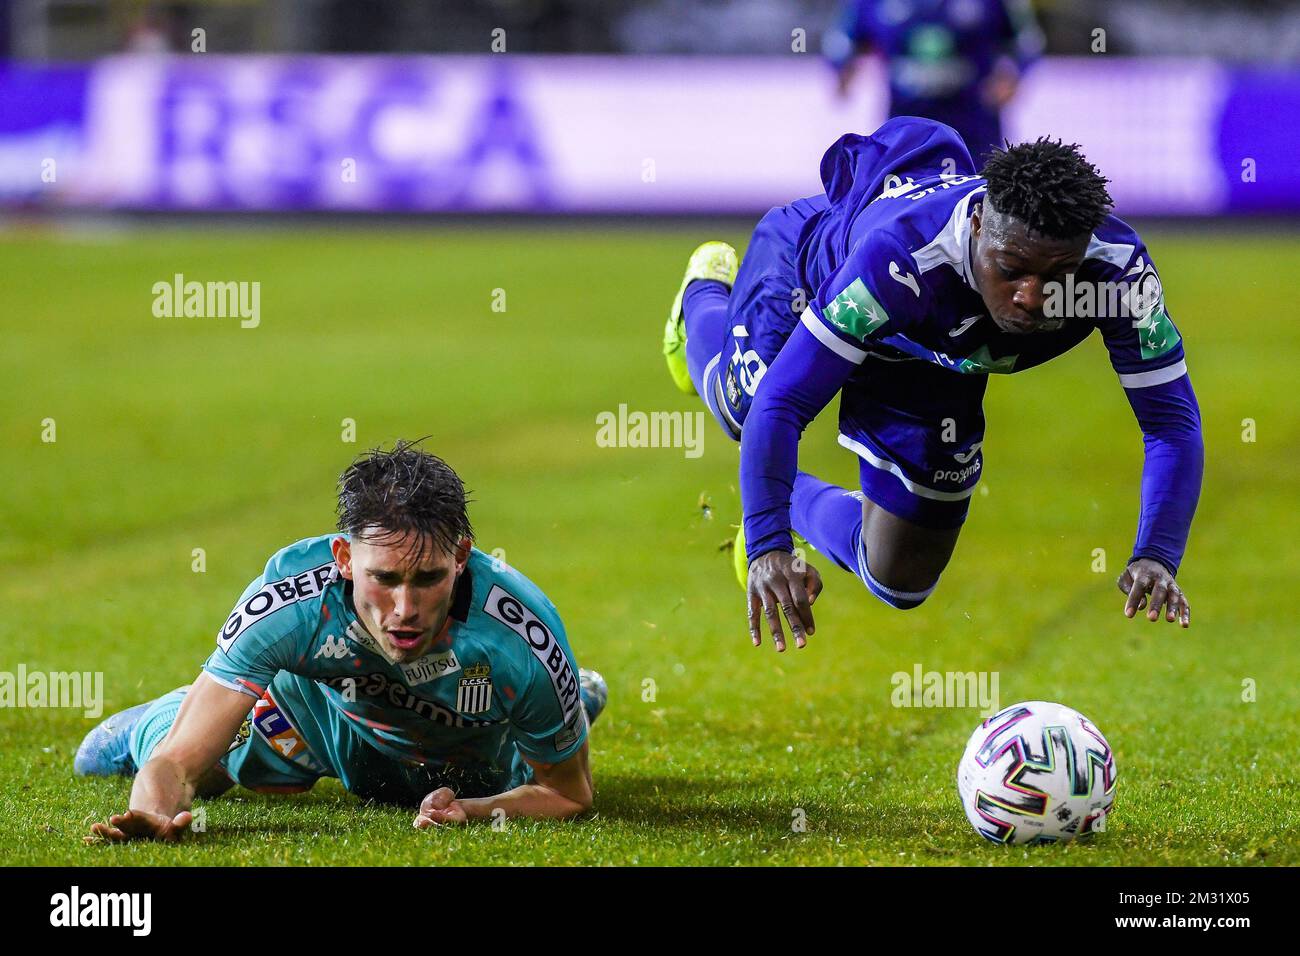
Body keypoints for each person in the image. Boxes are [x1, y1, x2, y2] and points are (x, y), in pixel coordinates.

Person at [660, 117, 1201, 651]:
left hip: (932, 354)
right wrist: (767, 549)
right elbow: (784, 404)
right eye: (1011, 268)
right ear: (977, 226)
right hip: (808, 276)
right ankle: (702, 297)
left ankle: (781, 500)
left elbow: (1170, 424)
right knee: (746, 408)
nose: (1032, 297)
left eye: (1058, 274)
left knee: (900, 578)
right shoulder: (900, 260)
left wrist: (1156, 553)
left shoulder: (1120, 277)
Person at [79, 441, 607, 839]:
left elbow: (568, 794)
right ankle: (155, 720)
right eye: (385, 579)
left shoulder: (520, 639)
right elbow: (177, 764)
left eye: (428, 579)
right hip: (322, 719)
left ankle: (565, 699)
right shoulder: (288, 604)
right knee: (132, 762)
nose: (405, 610)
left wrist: (471, 809)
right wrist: (151, 814)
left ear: (462, 557)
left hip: (466, 754)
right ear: (345, 560)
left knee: (520, 753)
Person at [825, 0, 1043, 161]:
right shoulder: (874, 4)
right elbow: (841, 41)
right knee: (907, 201)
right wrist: (843, 69)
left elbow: (1028, 41)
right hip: (905, 127)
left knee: (979, 205)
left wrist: (1012, 76)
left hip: (975, 126)